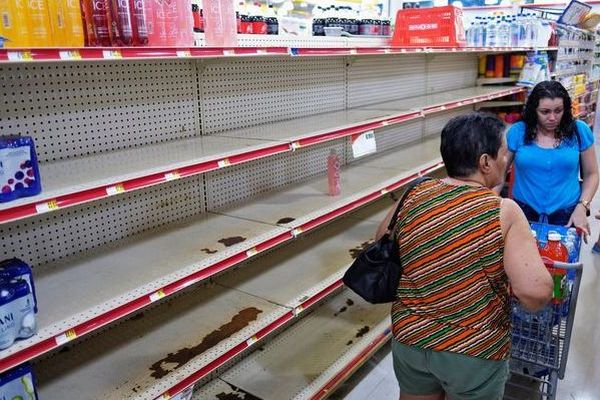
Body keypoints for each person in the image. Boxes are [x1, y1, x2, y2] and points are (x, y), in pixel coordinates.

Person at [376, 112, 553, 400]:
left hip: (410, 338)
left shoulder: (416, 193)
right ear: (485, 162)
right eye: (503, 154)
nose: (507, 160)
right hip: (473, 349)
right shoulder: (503, 211)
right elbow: (534, 291)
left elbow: (382, 239)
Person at [503, 80, 599, 242]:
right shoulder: (518, 132)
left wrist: (582, 206)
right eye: (545, 112)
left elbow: (592, 174)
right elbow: (499, 172)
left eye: (558, 111)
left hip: (567, 214)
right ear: (534, 110)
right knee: (522, 263)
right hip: (523, 212)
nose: (553, 117)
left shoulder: (579, 131)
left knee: (561, 263)